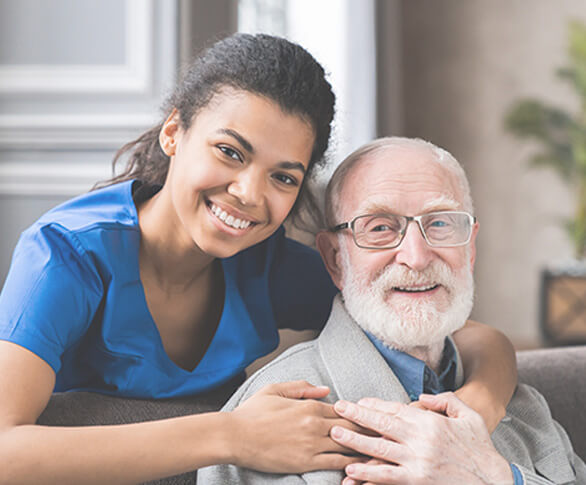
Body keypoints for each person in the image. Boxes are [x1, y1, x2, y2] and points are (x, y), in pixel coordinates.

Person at [0, 33, 515, 483]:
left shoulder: (266, 265)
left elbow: (469, 335)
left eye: (284, 177)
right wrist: (232, 435)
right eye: (230, 152)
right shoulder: (63, 256)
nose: (249, 192)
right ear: (174, 132)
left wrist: (475, 410)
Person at [198, 137, 586, 485]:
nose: (416, 258)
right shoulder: (275, 419)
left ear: (469, 250)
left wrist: (499, 479)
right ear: (335, 259)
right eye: (380, 228)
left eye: (439, 223)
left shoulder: (523, 405)